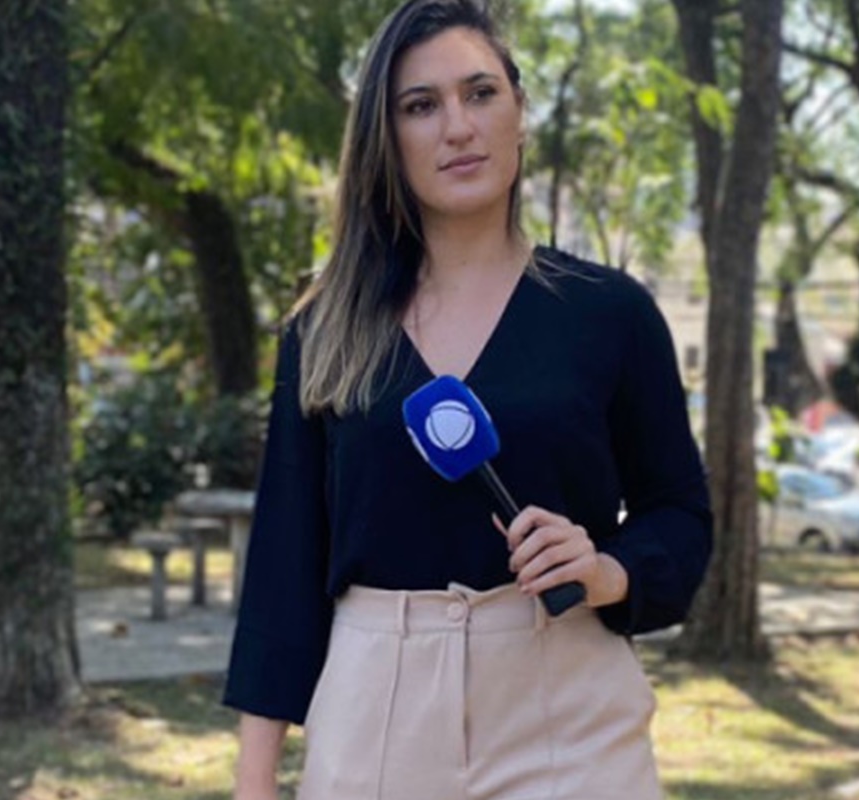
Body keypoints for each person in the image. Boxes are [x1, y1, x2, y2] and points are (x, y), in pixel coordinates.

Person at [222, 2, 713, 799]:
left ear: (519, 110)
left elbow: (681, 514)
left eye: (480, 93)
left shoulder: (611, 313)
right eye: (421, 106)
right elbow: (285, 562)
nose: (458, 127)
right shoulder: (325, 329)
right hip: (377, 710)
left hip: (569, 707)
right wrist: (254, 780)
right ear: (386, 139)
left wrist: (606, 570)